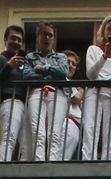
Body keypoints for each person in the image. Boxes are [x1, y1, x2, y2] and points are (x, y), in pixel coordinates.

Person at [81, 16, 111, 161]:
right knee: (90, 130)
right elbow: (91, 74)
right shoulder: (94, 50)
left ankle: (109, 161)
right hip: (93, 94)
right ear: (104, 32)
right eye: (109, 29)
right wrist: (104, 56)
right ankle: (87, 161)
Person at [22, 23, 71, 162]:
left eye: (50, 35)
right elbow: (27, 76)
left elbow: (63, 72)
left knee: (54, 133)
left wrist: (44, 68)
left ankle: (52, 163)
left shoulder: (61, 57)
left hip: (57, 94)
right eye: (44, 34)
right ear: (38, 37)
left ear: (54, 39)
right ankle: (39, 162)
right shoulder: (30, 56)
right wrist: (51, 74)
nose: (47, 37)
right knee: (38, 131)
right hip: (37, 92)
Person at [0, 25, 32, 162]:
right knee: (10, 136)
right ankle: (3, 166)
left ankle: (24, 171)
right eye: (13, 38)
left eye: (19, 40)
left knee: (27, 143)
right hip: (10, 100)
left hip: (25, 104)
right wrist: (8, 66)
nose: (16, 42)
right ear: (5, 40)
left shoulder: (24, 63)